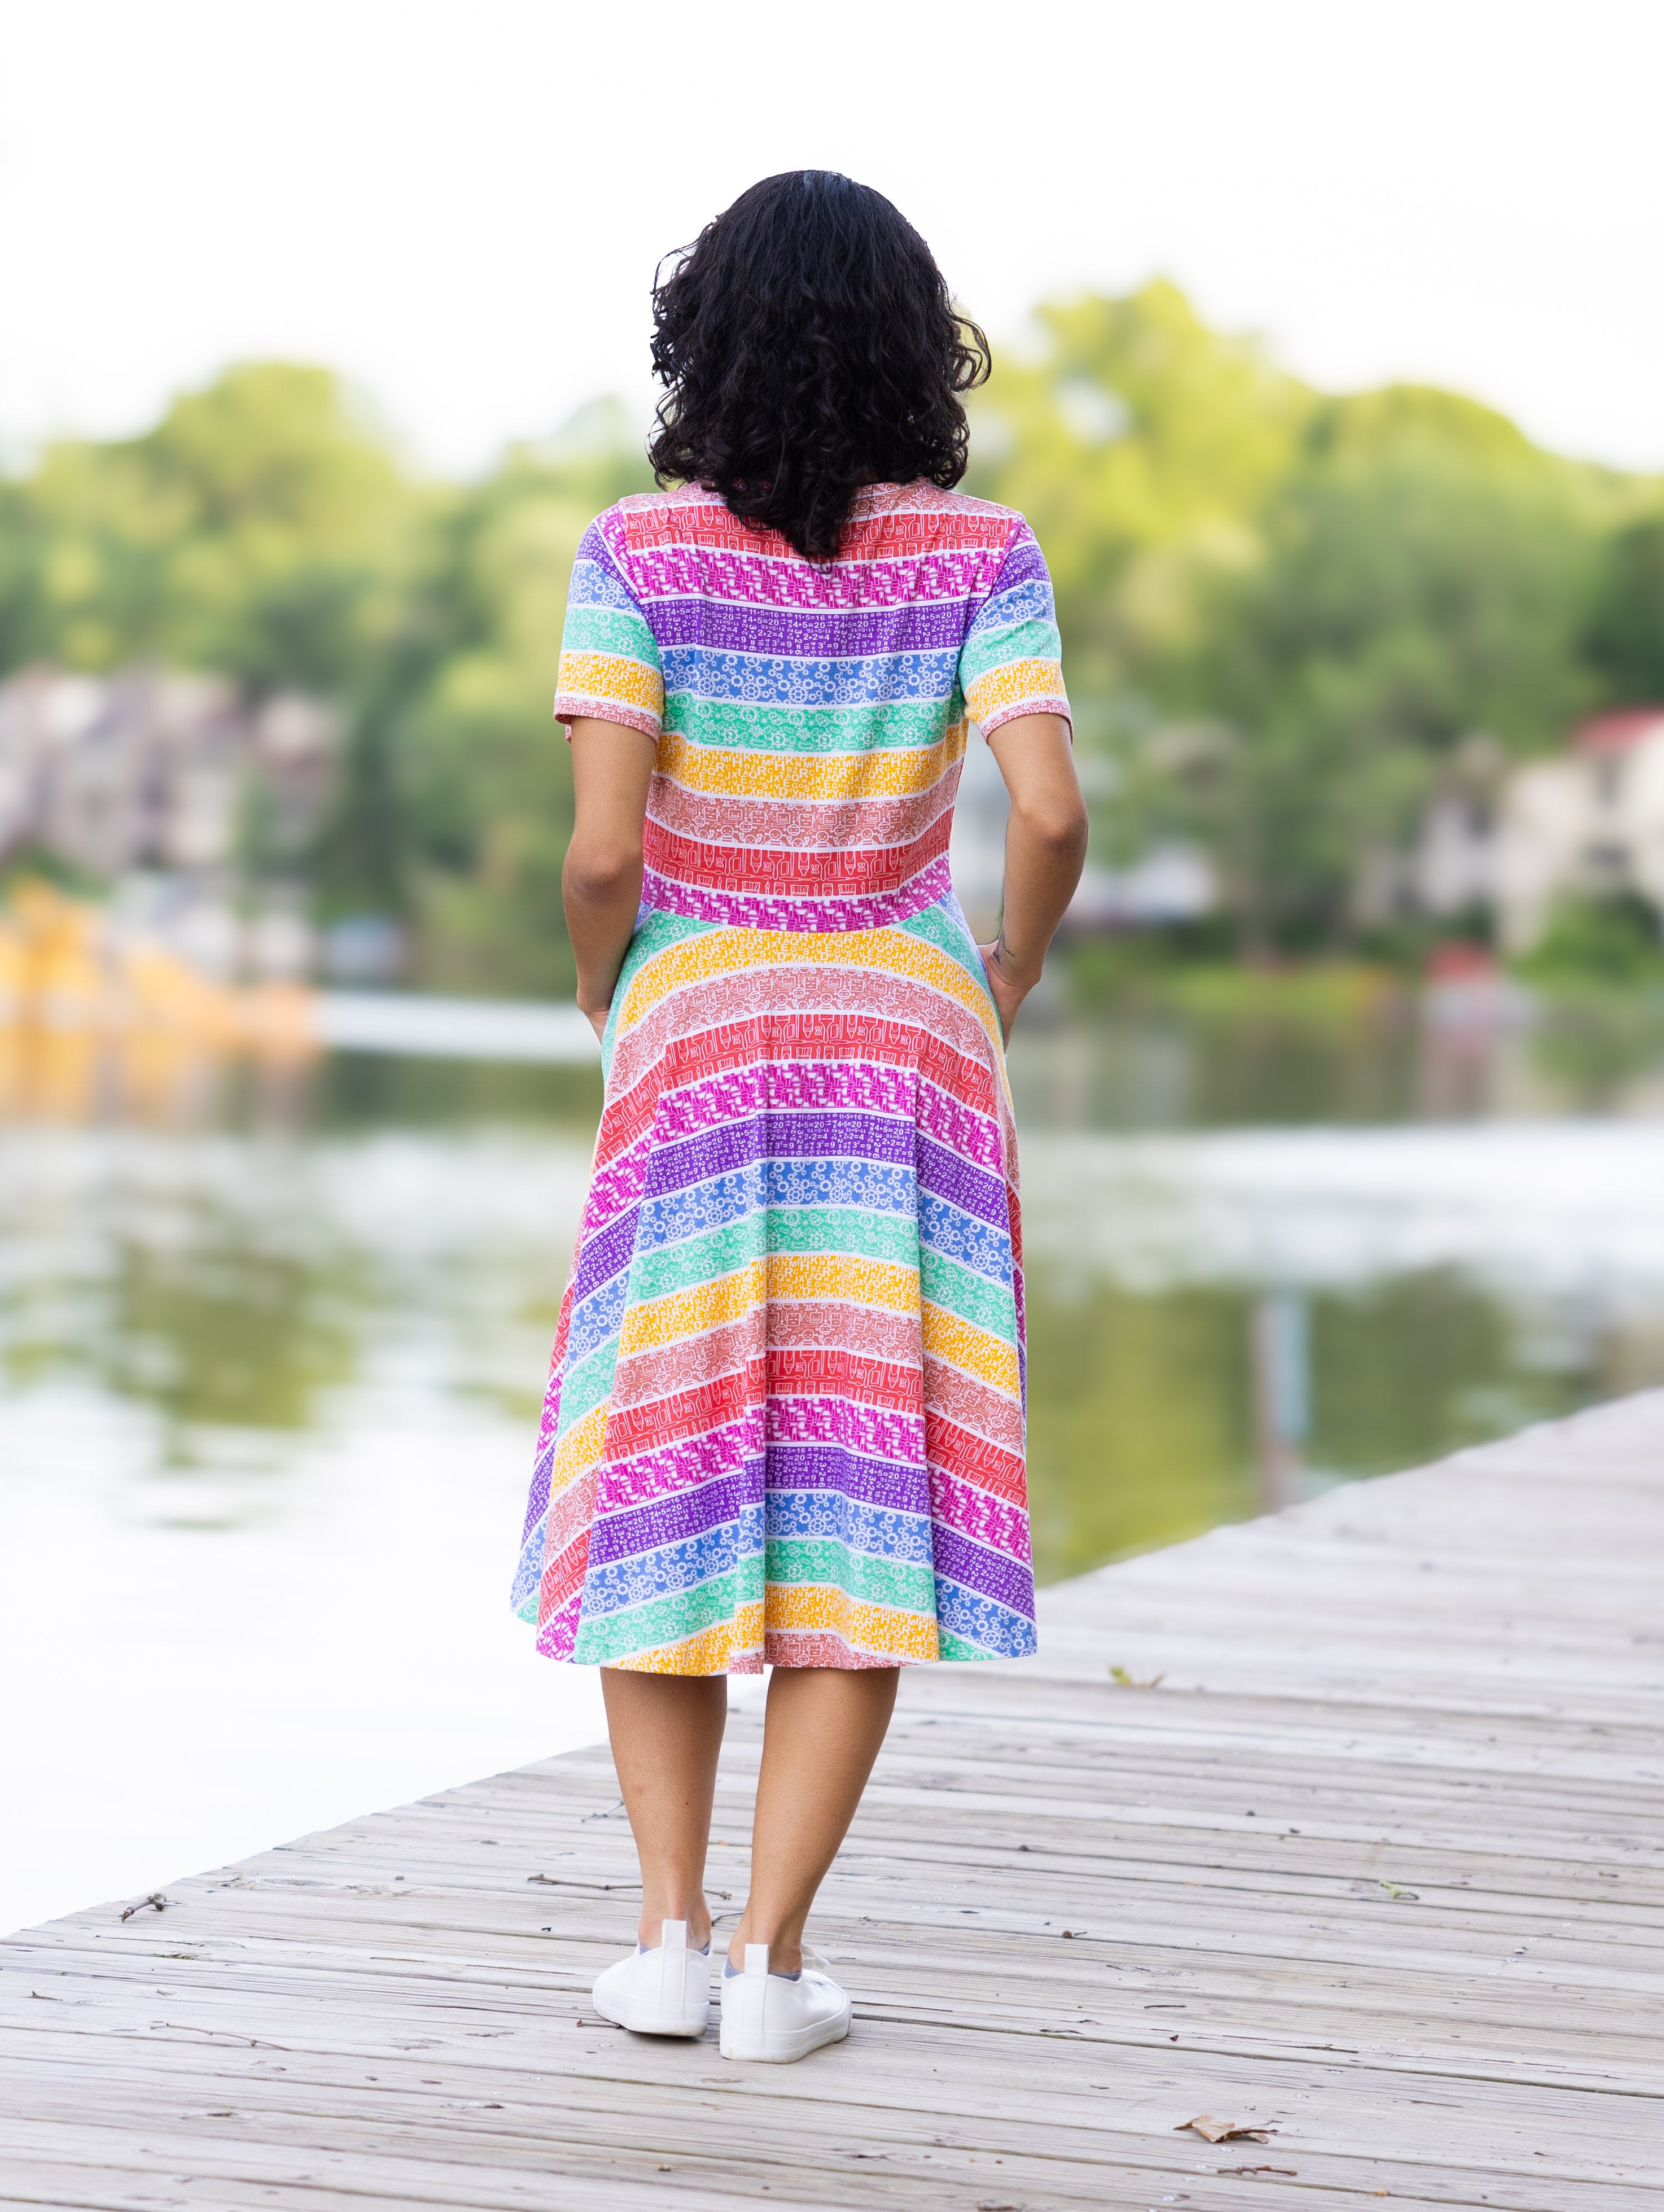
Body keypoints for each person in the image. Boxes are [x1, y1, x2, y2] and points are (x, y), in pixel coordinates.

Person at [509, 169, 1087, 2064]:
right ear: (920, 345)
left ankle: (663, 1942)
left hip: (701, 1022)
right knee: (865, 1483)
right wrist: (996, 969)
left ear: (709, 335)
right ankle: (774, 1969)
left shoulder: (636, 552)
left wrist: (612, 976)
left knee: (664, 1454)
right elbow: (1057, 816)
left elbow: (604, 847)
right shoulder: (987, 555)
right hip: (904, 1033)